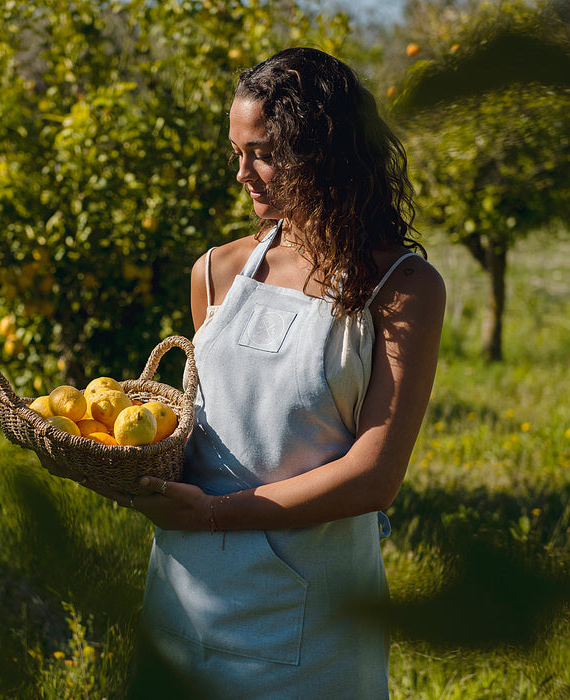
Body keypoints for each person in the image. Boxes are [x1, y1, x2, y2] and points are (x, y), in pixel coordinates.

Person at [81, 47, 445, 697]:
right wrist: (120, 451)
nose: (244, 173)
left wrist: (219, 515)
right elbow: (205, 427)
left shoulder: (401, 286)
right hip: (189, 588)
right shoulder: (218, 271)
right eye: (237, 152)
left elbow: (376, 475)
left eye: (264, 154)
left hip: (315, 611)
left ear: (325, 153)